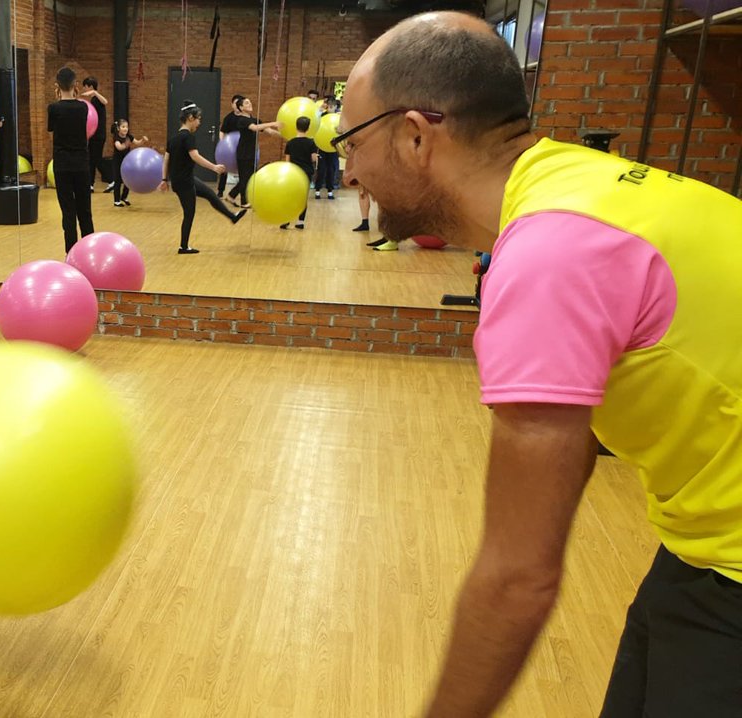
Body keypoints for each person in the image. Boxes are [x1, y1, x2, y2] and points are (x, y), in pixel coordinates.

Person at [336, 12, 742, 717]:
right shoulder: (570, 182)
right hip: (701, 545)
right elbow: (574, 444)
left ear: (413, 136)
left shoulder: (550, 257)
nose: (346, 168)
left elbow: (518, 580)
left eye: (351, 140)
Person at [160, 100, 247, 255]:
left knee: (210, 194)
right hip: (185, 182)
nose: (199, 122)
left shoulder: (173, 138)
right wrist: (214, 167)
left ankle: (232, 216)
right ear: (191, 118)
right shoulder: (188, 137)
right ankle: (183, 246)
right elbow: (195, 156)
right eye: (198, 118)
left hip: (183, 180)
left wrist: (164, 180)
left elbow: (166, 159)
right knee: (189, 213)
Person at [48, 67, 94, 253]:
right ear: (76, 85)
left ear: (57, 86)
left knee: (68, 212)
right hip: (81, 164)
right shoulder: (83, 107)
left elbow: (51, 128)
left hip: (62, 165)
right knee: (85, 211)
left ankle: (71, 253)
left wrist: (59, 97)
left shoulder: (53, 108)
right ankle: (89, 252)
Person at [226, 96, 280, 209]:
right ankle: (244, 202)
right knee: (246, 178)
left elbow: (269, 131)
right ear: (240, 107)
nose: (249, 104)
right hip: (243, 153)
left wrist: (285, 135)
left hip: (251, 153)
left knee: (249, 177)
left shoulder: (254, 120)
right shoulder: (241, 120)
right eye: (246, 103)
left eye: (250, 102)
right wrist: (272, 123)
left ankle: (231, 196)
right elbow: (255, 128)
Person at [280, 116, 317, 230]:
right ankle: (300, 221)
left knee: (290, 197)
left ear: (296, 127)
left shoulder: (290, 143)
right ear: (308, 128)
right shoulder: (311, 143)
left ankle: (286, 219)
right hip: (306, 173)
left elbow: (287, 160)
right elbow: (313, 159)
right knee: (302, 198)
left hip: (293, 173)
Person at [109, 118, 147, 208]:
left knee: (128, 180)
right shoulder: (116, 137)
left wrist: (143, 140)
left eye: (126, 127)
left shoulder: (129, 136)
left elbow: (137, 143)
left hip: (127, 161)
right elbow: (119, 147)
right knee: (118, 180)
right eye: (123, 127)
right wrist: (125, 144)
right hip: (117, 162)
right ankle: (116, 201)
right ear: (118, 128)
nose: (125, 128)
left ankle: (124, 197)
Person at [81, 76, 108, 191]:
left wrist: (94, 93)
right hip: (94, 134)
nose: (84, 89)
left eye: (85, 87)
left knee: (96, 159)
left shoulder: (96, 99)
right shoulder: (93, 101)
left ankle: (111, 180)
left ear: (90, 87)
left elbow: (105, 101)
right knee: (91, 160)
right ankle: (90, 184)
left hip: (98, 135)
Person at [217, 94, 244, 198]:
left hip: (242, 147)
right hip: (229, 148)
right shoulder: (228, 118)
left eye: (239, 103)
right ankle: (220, 191)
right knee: (224, 169)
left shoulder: (245, 117)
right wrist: (223, 144)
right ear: (232, 104)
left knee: (243, 171)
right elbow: (222, 131)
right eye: (235, 103)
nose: (237, 105)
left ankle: (241, 192)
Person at [313, 98, 340, 201]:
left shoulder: (339, 117)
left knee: (331, 170)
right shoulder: (321, 116)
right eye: (329, 106)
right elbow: (314, 119)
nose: (331, 108)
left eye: (333, 106)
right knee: (321, 169)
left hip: (333, 148)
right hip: (322, 147)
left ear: (336, 107)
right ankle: (317, 190)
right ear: (326, 106)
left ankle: (330, 191)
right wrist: (320, 109)